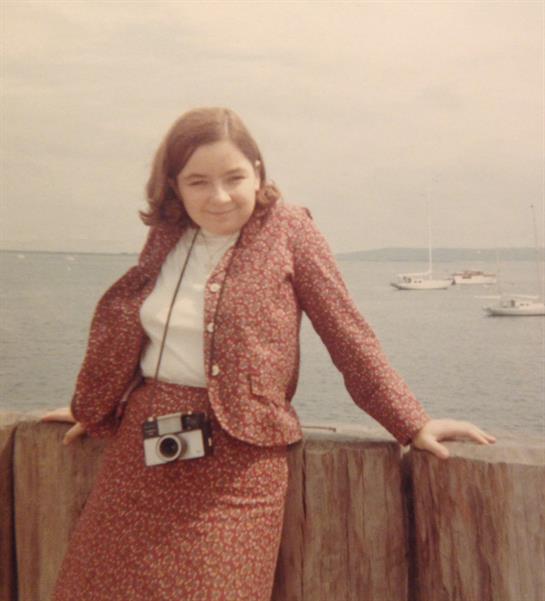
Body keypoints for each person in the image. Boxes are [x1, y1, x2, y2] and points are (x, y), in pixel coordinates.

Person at [42, 107, 496, 601]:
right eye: (198, 182)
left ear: (257, 172)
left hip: (239, 465)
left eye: (234, 177)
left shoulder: (290, 230)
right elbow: (140, 328)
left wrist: (411, 421)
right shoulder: (167, 235)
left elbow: (347, 332)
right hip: (144, 450)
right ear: (174, 185)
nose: (219, 196)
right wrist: (96, 405)